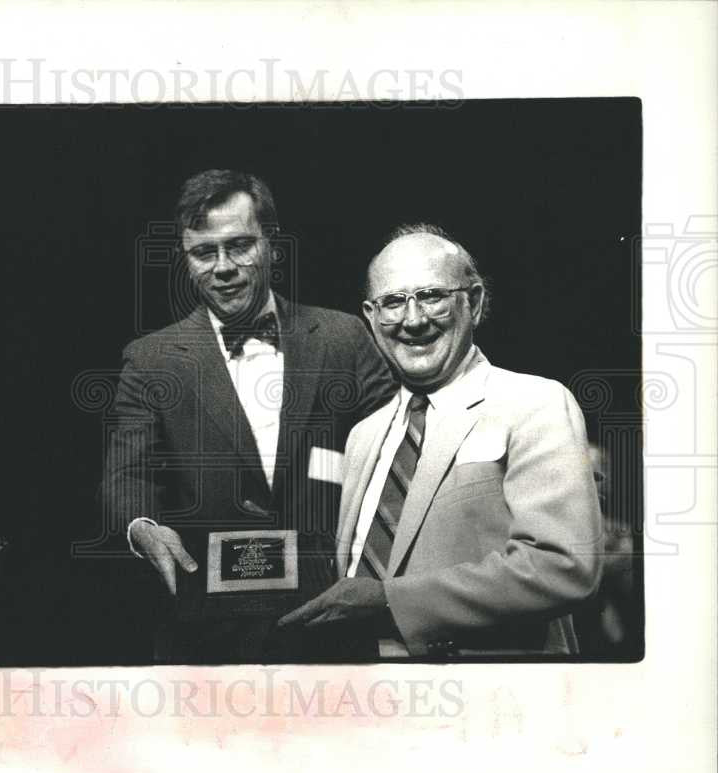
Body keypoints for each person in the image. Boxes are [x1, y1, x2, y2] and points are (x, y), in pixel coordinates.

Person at [100, 169, 395, 663]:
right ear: (185, 258)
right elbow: (127, 475)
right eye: (204, 252)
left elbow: (395, 453)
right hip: (206, 634)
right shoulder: (150, 360)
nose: (223, 267)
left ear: (272, 246)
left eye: (240, 246)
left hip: (334, 620)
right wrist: (142, 527)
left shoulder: (345, 337)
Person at [280, 224, 603, 657]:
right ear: (370, 318)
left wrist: (390, 602)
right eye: (393, 302)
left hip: (491, 700)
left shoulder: (535, 402)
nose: (412, 320)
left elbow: (563, 566)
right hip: (367, 696)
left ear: (474, 300)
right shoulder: (363, 436)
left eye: (431, 296)